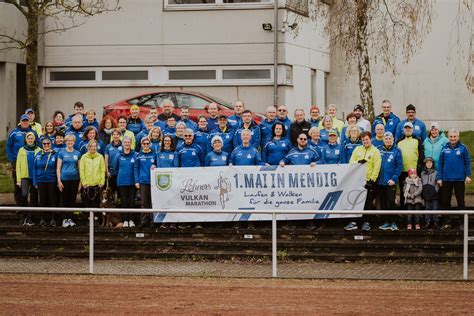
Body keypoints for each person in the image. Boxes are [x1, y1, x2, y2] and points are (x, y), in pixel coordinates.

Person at [345, 131, 381, 231]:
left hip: (369, 181)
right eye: (363, 140)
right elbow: (351, 162)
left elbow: (376, 167)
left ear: (370, 139)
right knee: (355, 202)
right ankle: (354, 222)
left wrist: (372, 180)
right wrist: (358, 162)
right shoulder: (357, 149)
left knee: (367, 203)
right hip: (357, 181)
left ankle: (366, 222)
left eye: (367, 139)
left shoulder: (375, 151)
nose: (365, 141)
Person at [437, 129, 471, 230]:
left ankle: (462, 223)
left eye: (454, 136)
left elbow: (467, 162)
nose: (453, 138)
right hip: (446, 179)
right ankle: (446, 222)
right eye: (451, 136)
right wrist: (439, 178)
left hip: (459, 179)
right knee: (445, 201)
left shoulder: (463, 148)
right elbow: (440, 163)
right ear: (448, 137)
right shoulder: (444, 148)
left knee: (461, 201)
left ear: (458, 137)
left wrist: (468, 175)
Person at [7, 114, 39, 205]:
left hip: (31, 163)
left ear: (29, 122)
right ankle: (19, 206)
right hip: (17, 162)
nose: (25, 122)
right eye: (23, 121)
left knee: (33, 187)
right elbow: (8, 146)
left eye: (26, 121)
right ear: (20, 122)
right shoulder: (14, 132)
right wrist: (12, 159)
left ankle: (33, 208)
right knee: (18, 185)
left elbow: (39, 145)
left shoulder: (33, 132)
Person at [377, 132, 403, 231]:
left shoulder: (397, 151)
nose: (388, 140)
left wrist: (394, 178)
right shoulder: (378, 149)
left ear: (393, 140)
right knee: (383, 203)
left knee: (391, 202)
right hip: (380, 182)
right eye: (386, 139)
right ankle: (386, 222)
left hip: (391, 181)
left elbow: (399, 166)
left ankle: (393, 222)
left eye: (390, 139)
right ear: (383, 140)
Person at [397, 121, 424, 209]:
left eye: (409, 128)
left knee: (415, 192)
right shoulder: (399, 142)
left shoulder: (417, 140)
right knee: (403, 191)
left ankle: (416, 213)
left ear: (412, 130)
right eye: (406, 128)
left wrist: (419, 169)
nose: (408, 130)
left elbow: (421, 155)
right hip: (402, 171)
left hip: (414, 172)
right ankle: (403, 211)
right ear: (403, 130)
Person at [16, 132, 41, 226]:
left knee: (34, 196)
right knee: (24, 195)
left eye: (32, 138)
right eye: (28, 138)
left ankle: (31, 217)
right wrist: (18, 180)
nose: (30, 140)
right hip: (24, 177)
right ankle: (24, 216)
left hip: (35, 177)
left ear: (34, 139)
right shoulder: (21, 150)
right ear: (26, 139)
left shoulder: (39, 150)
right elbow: (18, 165)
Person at [33, 138, 58, 227]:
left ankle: (52, 219)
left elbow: (58, 168)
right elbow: (34, 169)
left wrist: (58, 181)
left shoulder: (55, 154)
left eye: (48, 143)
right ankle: (42, 219)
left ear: (51, 144)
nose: (46, 145)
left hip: (52, 180)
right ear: (42, 145)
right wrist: (35, 182)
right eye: (44, 144)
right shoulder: (38, 154)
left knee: (52, 200)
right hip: (41, 181)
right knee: (42, 200)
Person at [57, 134, 81, 227]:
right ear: (65, 142)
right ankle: (64, 219)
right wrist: (59, 181)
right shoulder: (61, 153)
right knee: (64, 199)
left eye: (71, 141)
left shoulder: (77, 153)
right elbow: (58, 168)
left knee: (72, 199)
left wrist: (80, 182)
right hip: (64, 179)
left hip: (74, 179)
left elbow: (79, 169)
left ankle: (70, 218)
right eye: (68, 141)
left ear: (74, 142)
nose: (70, 142)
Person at [115, 137, 137, 227]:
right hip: (122, 182)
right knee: (124, 201)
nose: (127, 144)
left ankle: (131, 220)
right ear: (123, 143)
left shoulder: (135, 154)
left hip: (132, 182)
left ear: (131, 143)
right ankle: (125, 220)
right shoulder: (118, 155)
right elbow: (116, 168)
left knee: (132, 201)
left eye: (129, 142)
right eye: (125, 142)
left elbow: (136, 168)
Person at [134, 137, 156, 227]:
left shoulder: (154, 154)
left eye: (147, 143)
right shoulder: (138, 155)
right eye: (144, 144)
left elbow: (158, 165)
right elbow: (136, 168)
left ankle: (152, 221)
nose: (146, 145)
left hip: (153, 182)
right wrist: (136, 181)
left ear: (150, 144)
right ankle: (144, 221)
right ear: (142, 145)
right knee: (144, 203)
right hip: (143, 181)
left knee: (152, 202)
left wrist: (155, 166)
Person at [79, 140, 105, 211]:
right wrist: (83, 182)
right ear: (88, 147)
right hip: (87, 184)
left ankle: (96, 219)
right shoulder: (84, 157)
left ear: (97, 147)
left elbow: (102, 170)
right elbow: (82, 170)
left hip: (97, 184)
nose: (93, 148)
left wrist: (102, 181)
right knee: (88, 203)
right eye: (91, 146)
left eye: (94, 146)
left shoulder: (100, 157)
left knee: (96, 203)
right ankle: (89, 219)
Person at [421, 157, 440, 229]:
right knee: (427, 208)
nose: (429, 164)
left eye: (430, 163)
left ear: (433, 164)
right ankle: (427, 221)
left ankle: (436, 222)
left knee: (435, 208)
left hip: (434, 193)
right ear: (425, 164)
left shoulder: (436, 172)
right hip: (426, 192)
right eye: (427, 163)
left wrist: (436, 190)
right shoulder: (423, 173)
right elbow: (421, 182)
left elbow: (437, 183)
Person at [104, 129, 123, 198]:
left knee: (120, 191)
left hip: (120, 172)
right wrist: (107, 171)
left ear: (120, 136)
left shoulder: (123, 146)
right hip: (111, 172)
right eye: (114, 134)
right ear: (112, 136)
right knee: (111, 191)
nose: (115, 136)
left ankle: (119, 205)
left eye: (117, 134)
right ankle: (111, 205)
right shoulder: (108, 147)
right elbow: (106, 159)